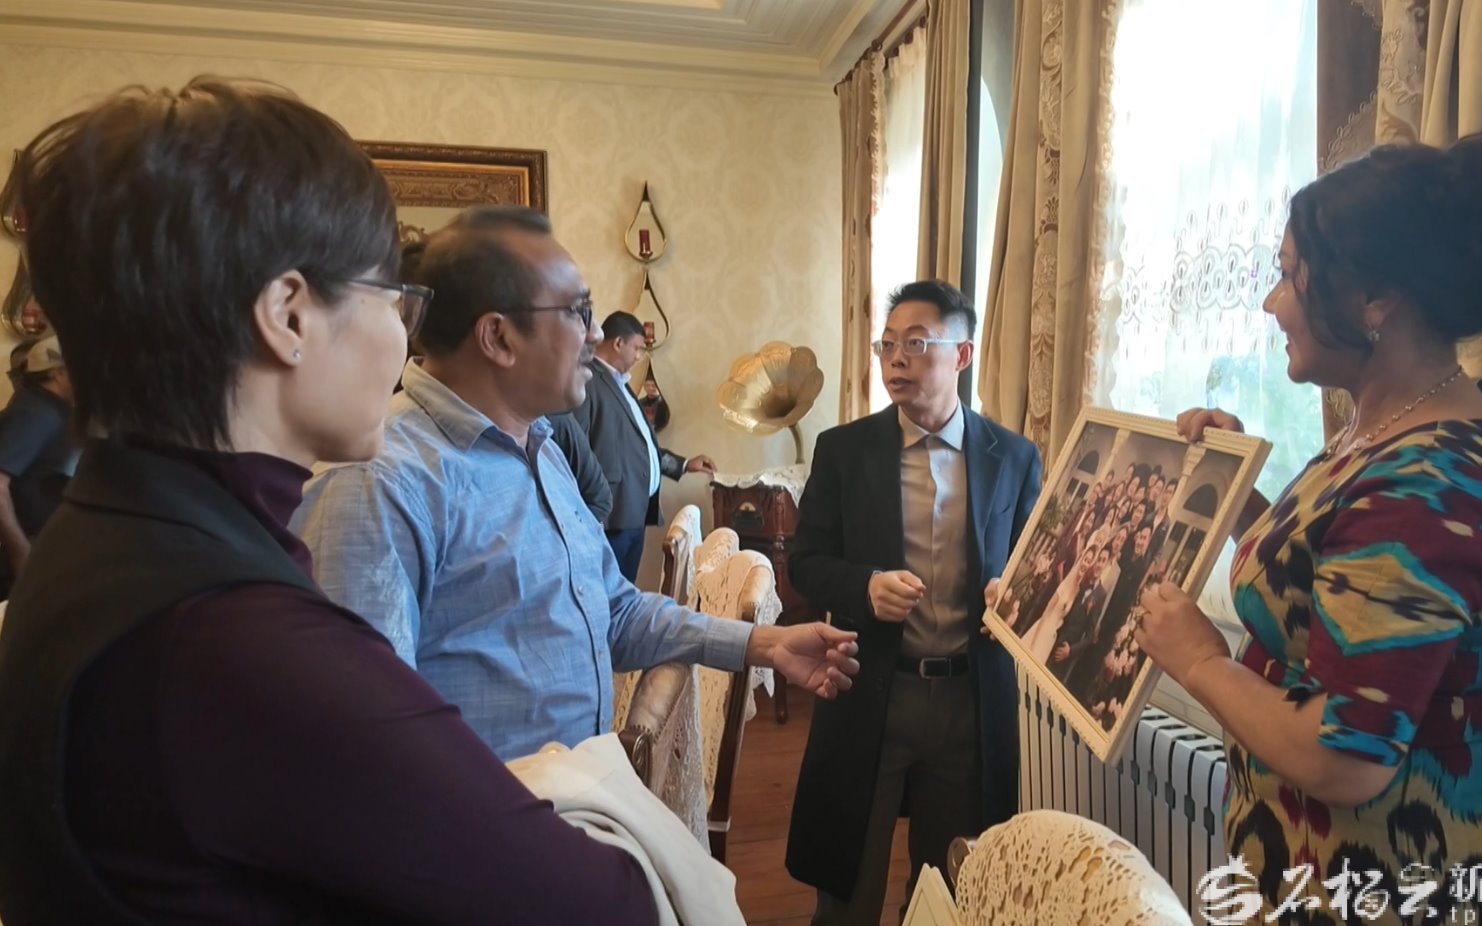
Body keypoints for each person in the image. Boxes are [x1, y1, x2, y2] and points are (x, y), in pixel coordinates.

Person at [0, 77, 665, 925]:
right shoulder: (234, 637)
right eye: (392, 300)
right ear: (288, 315)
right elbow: (599, 904)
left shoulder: (115, 528)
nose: (402, 340)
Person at [1132, 129, 1482, 922]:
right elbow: (1341, 591)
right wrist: (1235, 493)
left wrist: (1200, 660)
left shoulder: (1426, 485)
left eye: (1288, 276)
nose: (1271, 303)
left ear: (1374, 299)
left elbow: (1344, 759)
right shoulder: (1383, 432)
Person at [295, 205, 859, 761]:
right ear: (498, 337)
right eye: (578, 310)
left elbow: (614, 611)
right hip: (493, 818)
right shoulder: (377, 484)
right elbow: (368, 746)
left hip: (575, 796)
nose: (596, 333)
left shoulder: (540, 447)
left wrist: (765, 643)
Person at [787, 280, 1042, 925]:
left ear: (963, 355)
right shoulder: (845, 451)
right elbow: (805, 562)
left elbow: (1033, 568)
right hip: (869, 688)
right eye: (888, 344)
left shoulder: (1012, 457)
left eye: (917, 343)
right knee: (848, 892)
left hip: (968, 702)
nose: (896, 358)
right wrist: (865, 587)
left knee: (949, 893)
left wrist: (1009, 592)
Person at [573, 310, 715, 581]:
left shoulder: (620, 384)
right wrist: (593, 505)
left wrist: (685, 465)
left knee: (625, 592)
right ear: (618, 343)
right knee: (608, 593)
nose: (639, 357)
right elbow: (575, 447)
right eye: (636, 348)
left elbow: (640, 448)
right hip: (610, 514)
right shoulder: (588, 379)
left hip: (633, 512)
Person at [0, 334, 76, 589]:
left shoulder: (51, 410)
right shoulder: (37, 414)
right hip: (26, 551)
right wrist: (21, 552)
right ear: (58, 374)